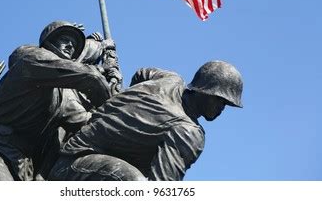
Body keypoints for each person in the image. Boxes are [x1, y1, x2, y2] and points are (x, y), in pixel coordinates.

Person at [0, 21, 119, 181]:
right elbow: (88, 76)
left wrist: (114, 85)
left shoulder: (65, 97)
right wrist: (103, 82)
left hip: (23, 169)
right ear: (49, 41)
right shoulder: (30, 56)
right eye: (65, 39)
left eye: (74, 44)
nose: (70, 45)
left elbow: (91, 122)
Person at [48, 60, 243, 181]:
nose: (221, 108)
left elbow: (141, 74)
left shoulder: (168, 78)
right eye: (218, 99)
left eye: (225, 103)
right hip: (71, 167)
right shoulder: (188, 131)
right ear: (203, 89)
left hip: (74, 154)